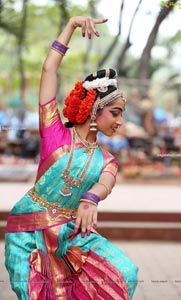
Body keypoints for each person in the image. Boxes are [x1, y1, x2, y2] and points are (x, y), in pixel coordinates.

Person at [5, 16, 138, 300]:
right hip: (31, 233)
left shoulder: (107, 159)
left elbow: (106, 183)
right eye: (115, 113)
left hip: (74, 236)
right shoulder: (54, 133)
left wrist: (91, 197)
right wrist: (70, 26)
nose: (120, 122)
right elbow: (48, 70)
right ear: (93, 110)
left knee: (124, 273)